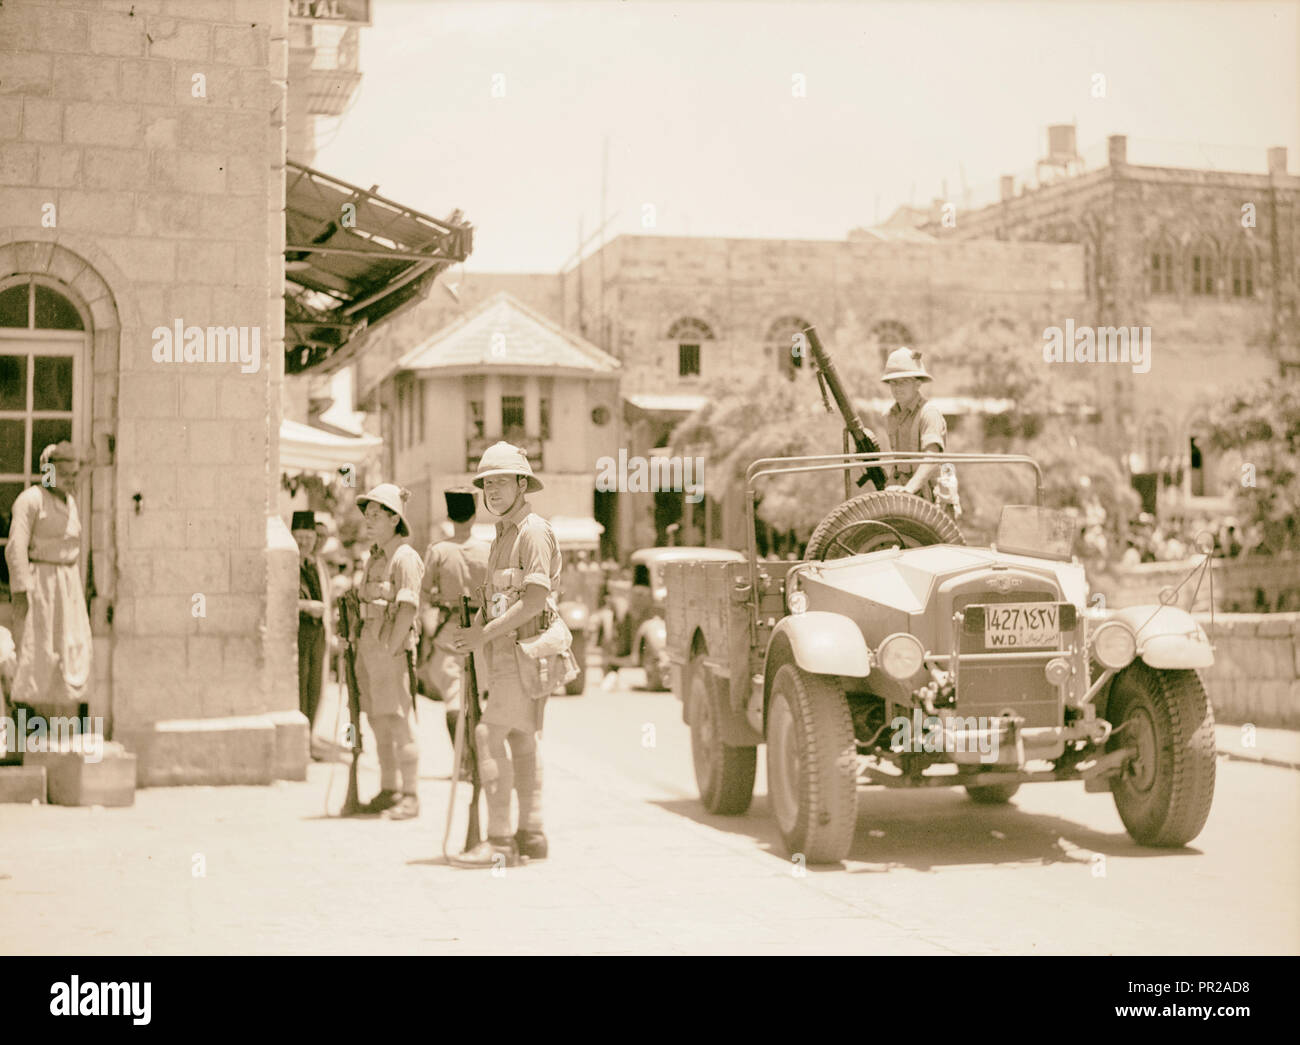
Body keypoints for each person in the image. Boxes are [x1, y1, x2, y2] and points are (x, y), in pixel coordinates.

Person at [449, 442, 561, 868]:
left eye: (499, 482)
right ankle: (530, 835)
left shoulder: (532, 531)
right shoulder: (502, 535)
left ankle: (498, 842)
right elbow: (497, 599)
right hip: (504, 652)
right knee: (519, 738)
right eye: (486, 484)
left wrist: (483, 635)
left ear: (521, 483)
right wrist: (473, 632)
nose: (491, 491)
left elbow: (533, 600)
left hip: (523, 651)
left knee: (487, 736)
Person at [4, 442, 93, 721]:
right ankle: (28, 723)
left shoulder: (71, 502)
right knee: (38, 650)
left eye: (74, 474)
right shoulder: (30, 500)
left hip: (68, 585)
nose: (69, 479)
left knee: (69, 650)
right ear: (48, 472)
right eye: (63, 473)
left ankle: (62, 724)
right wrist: (22, 592)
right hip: (40, 585)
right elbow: (15, 548)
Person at [353, 483, 424, 820]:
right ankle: (389, 788)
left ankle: (410, 794)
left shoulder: (405, 558)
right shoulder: (374, 557)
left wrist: (392, 649)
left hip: (391, 652)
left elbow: (408, 608)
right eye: (367, 515)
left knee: (398, 723)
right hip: (368, 651)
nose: (368, 520)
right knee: (378, 721)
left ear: (395, 519)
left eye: (376, 515)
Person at [419, 487, 489, 771]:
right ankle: (477, 760)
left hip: (449, 631)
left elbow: (423, 595)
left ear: (449, 516)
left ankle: (463, 760)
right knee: (476, 696)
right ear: (474, 516)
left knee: (453, 699)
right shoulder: (488, 549)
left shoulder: (438, 551)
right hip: (482, 630)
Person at [880, 348, 947, 501]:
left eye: (904, 382)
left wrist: (909, 489)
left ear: (917, 384)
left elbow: (932, 457)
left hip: (929, 494)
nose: (897, 388)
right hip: (902, 493)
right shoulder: (890, 416)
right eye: (893, 382)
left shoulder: (928, 413)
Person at [292, 510, 330, 746]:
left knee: (316, 685)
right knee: (300, 685)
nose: (304, 542)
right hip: (299, 631)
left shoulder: (316, 565)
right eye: (300, 537)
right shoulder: (287, 564)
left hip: (318, 633)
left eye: (309, 537)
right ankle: (300, 738)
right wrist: (306, 606)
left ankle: (310, 734)